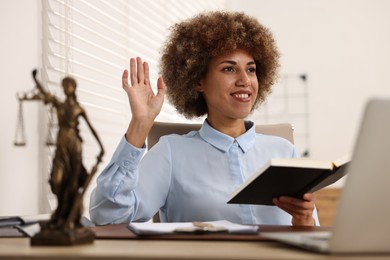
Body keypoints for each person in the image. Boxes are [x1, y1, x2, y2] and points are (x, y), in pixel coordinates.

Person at [90, 11, 319, 226]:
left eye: (251, 69)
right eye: (229, 69)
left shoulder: (284, 152)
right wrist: (140, 123)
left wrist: (305, 221)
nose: (245, 80)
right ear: (198, 81)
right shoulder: (171, 152)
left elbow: (311, 239)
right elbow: (108, 216)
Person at [20, 70, 105, 231]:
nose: (66, 87)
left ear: (73, 87)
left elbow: (92, 129)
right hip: (61, 145)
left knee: (72, 184)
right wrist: (35, 79)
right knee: (57, 180)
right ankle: (61, 212)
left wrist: (101, 147)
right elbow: (45, 94)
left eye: (68, 85)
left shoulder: (78, 109)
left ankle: (69, 217)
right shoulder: (59, 105)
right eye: (64, 85)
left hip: (74, 146)